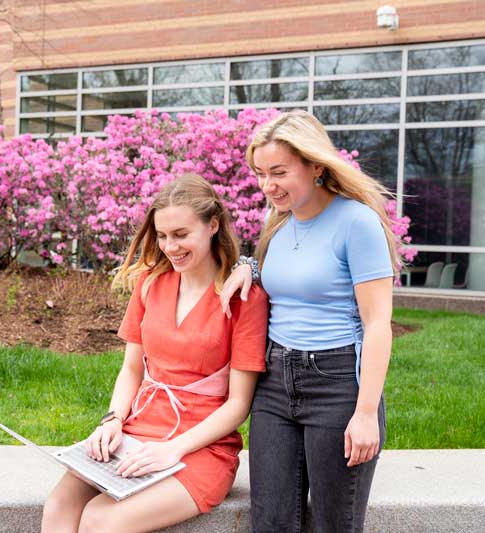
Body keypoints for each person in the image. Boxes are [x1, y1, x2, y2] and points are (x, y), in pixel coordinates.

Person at [42, 173, 269, 533]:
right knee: (59, 506)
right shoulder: (150, 284)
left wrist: (173, 449)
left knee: (100, 520)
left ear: (213, 225)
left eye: (180, 234)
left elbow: (238, 405)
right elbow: (132, 369)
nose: (169, 246)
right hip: (136, 432)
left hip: (201, 447)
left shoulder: (243, 297)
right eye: (162, 236)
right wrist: (112, 420)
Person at [219, 110, 400, 533]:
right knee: (271, 522)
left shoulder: (358, 223)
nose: (267, 186)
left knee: (335, 524)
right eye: (261, 173)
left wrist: (366, 413)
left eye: (279, 172)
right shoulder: (277, 221)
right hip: (274, 383)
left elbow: (378, 324)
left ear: (316, 165)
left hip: (337, 383)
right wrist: (250, 265)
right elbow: (294, 274)